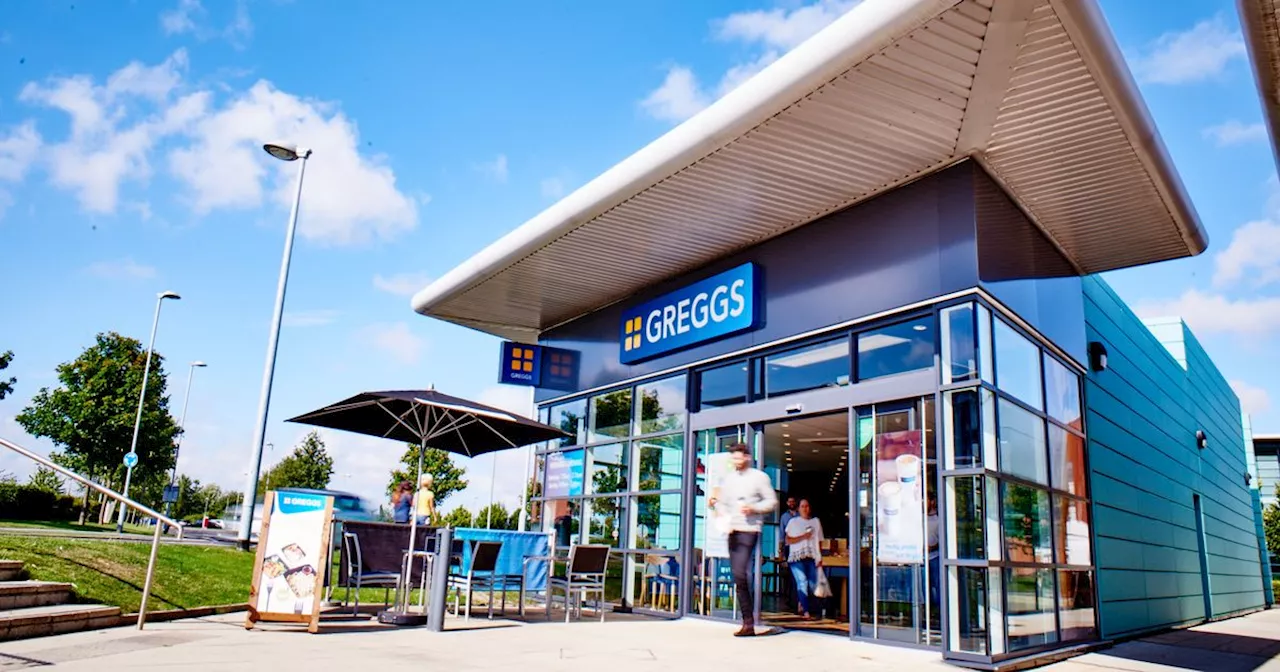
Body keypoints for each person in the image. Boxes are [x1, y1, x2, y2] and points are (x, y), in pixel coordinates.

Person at [708, 443, 777, 637]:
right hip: (732, 530)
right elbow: (722, 503)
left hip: (749, 529)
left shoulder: (759, 477)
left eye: (738, 458)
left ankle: (749, 622)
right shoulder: (729, 480)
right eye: (733, 458)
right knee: (738, 576)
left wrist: (753, 508)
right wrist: (722, 516)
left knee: (740, 572)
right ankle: (748, 622)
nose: (736, 461)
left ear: (747, 457)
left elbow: (771, 501)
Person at [784, 499, 824, 620]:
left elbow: (820, 541)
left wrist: (819, 557)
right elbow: (788, 540)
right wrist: (803, 537)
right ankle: (806, 611)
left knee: (813, 583)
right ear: (798, 509)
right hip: (796, 557)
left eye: (807, 506)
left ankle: (814, 608)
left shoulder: (815, 522)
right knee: (802, 582)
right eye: (802, 506)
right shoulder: (793, 522)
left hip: (811, 556)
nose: (805, 508)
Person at [778, 496, 799, 611]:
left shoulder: (800, 515)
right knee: (790, 574)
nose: (791, 503)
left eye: (793, 501)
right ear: (787, 503)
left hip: (799, 546)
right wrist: (781, 552)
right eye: (789, 501)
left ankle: (796, 600)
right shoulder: (784, 517)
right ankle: (790, 599)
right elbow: (781, 534)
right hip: (788, 547)